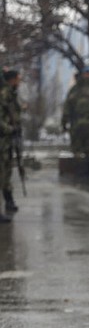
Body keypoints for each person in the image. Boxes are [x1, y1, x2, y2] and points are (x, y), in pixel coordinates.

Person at [62, 66, 89, 175]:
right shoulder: (75, 89)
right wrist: (64, 121)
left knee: (88, 148)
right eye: (86, 73)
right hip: (76, 123)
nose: (87, 75)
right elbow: (67, 106)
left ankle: (88, 170)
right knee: (76, 148)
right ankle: (78, 170)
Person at [0, 70, 20, 223]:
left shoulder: (11, 94)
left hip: (6, 141)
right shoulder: (4, 94)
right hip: (3, 139)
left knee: (6, 172)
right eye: (17, 78)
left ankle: (9, 200)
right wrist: (10, 129)